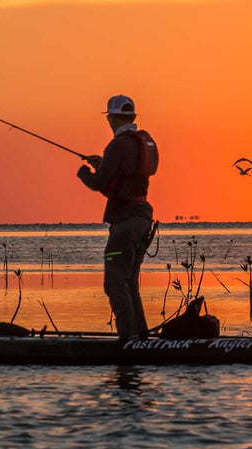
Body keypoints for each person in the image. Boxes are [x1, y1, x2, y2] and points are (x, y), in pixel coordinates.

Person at [77, 94, 159, 340]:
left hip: (124, 223)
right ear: (132, 117)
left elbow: (100, 184)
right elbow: (132, 172)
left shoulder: (117, 145)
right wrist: (103, 163)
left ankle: (127, 341)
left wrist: (84, 173)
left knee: (114, 283)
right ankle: (140, 338)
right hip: (143, 219)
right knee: (130, 281)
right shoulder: (146, 141)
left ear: (112, 118)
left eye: (109, 118)